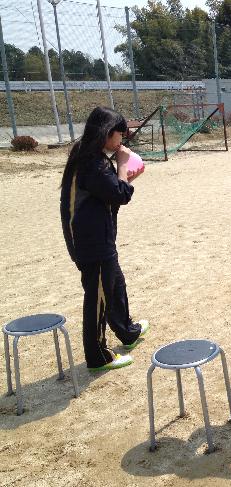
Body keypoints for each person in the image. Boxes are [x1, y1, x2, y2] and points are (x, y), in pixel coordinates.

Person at [60, 107, 149, 371]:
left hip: (99, 238)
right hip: (91, 243)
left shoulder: (89, 156)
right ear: (107, 134)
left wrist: (124, 179)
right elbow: (119, 195)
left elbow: (113, 191)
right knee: (98, 296)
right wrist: (123, 165)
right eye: (119, 135)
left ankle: (127, 331)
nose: (121, 141)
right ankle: (97, 356)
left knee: (114, 285)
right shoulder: (91, 162)